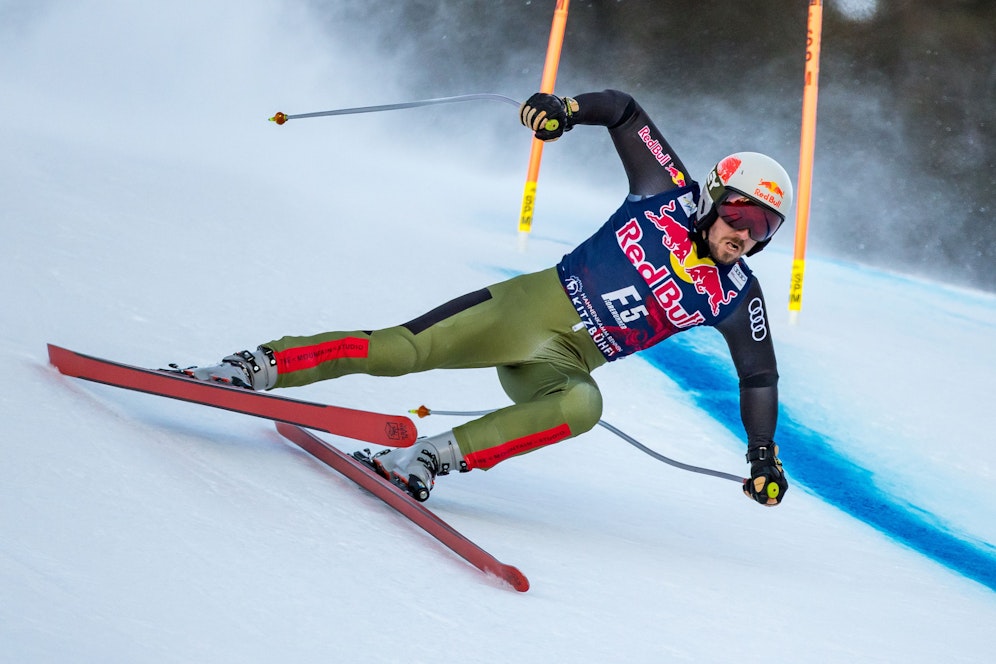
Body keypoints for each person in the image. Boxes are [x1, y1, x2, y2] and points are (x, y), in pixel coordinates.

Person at [184, 90, 789, 506]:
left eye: (762, 227)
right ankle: (255, 367)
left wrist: (763, 455)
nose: (743, 233)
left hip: (560, 366)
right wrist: (566, 109)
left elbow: (758, 373)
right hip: (522, 312)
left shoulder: (738, 295)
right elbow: (625, 112)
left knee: (583, 406)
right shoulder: (666, 191)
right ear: (714, 197)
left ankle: (428, 459)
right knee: (398, 352)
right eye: (739, 212)